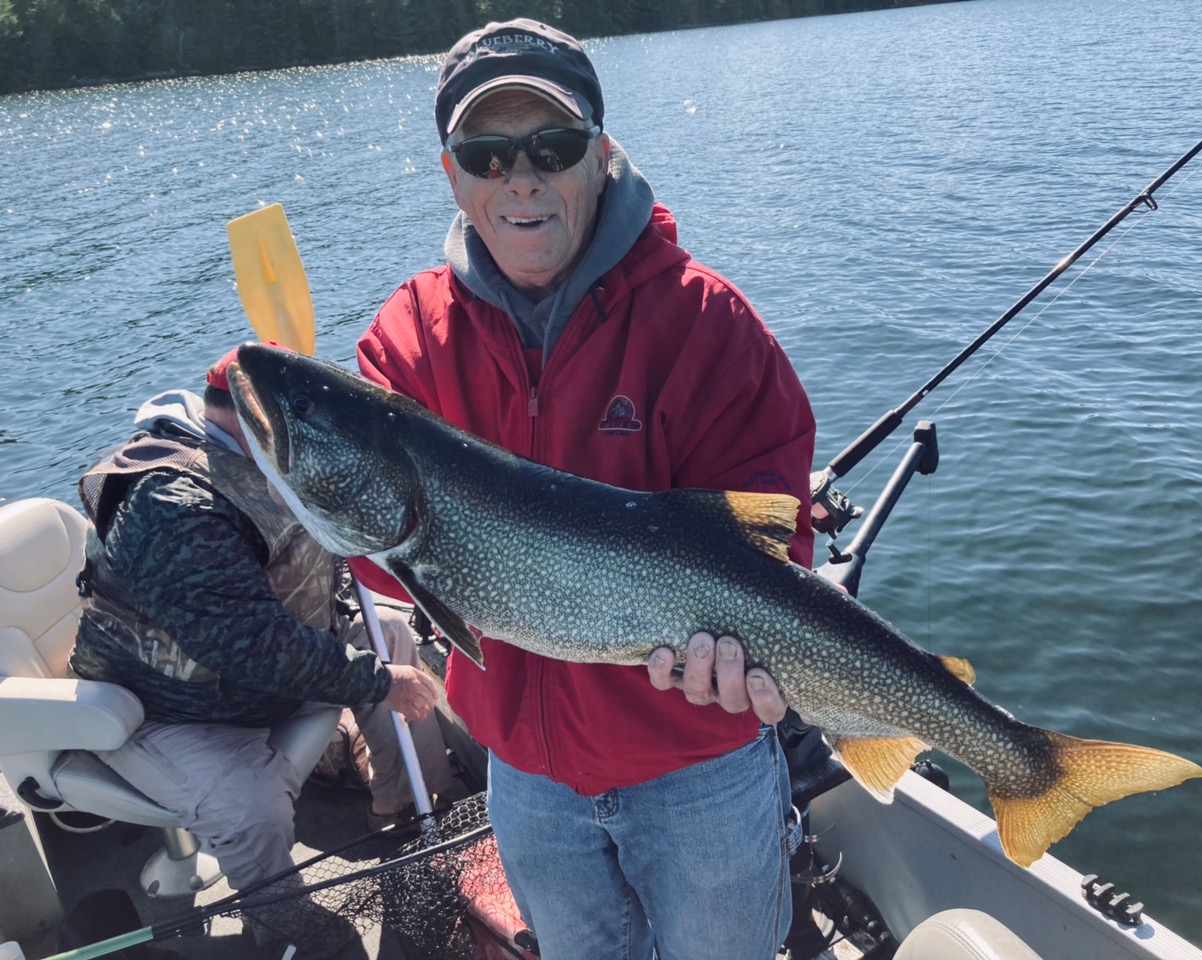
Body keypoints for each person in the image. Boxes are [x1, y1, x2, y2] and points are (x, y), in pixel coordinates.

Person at [349, 18, 816, 960]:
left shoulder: (705, 324)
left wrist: (745, 650)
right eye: (487, 153)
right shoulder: (408, 340)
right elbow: (385, 555)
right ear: (453, 175)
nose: (519, 178)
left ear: (602, 158)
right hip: (525, 778)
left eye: (550, 148)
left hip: (700, 767)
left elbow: (778, 543)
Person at [70, 346, 464, 937]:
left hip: (268, 674)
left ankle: (406, 809)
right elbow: (249, 645)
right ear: (250, 417)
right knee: (248, 800)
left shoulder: (275, 460)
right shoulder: (169, 503)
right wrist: (378, 681)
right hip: (173, 710)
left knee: (391, 636)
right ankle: (289, 927)